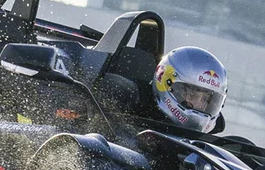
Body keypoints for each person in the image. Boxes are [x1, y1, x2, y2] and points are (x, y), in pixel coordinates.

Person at [97, 46, 230, 134]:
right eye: (191, 93)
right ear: (166, 82)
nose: (198, 104)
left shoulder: (215, 133)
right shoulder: (127, 96)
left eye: (206, 99)